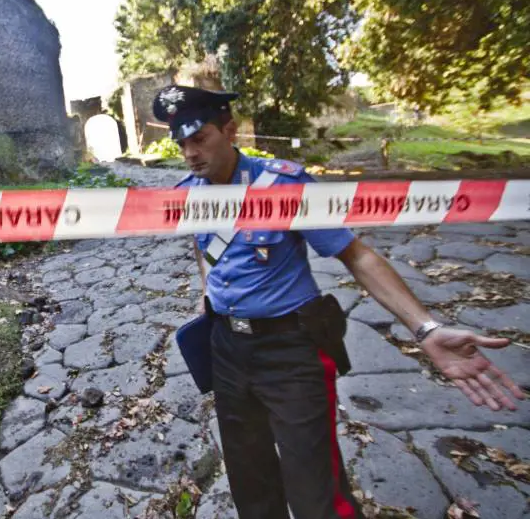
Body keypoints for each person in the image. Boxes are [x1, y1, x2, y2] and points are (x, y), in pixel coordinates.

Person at [152, 84, 525, 519]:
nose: (190, 153)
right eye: (182, 143)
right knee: (250, 486)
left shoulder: (284, 185)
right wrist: (208, 295)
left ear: (229, 131)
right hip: (228, 351)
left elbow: (358, 255)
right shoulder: (189, 193)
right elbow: (205, 250)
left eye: (200, 139)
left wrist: (425, 329)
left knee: (317, 495)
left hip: (290, 351)